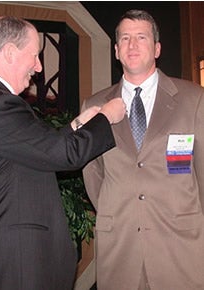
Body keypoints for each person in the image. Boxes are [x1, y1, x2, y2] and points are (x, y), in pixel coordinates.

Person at [0, 16, 127, 290]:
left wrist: (78, 124)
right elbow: (64, 155)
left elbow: (37, 149)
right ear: (10, 53)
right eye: (34, 56)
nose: (37, 67)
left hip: (0, 261)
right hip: (16, 266)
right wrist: (106, 117)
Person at [82, 9, 204, 290]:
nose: (132, 45)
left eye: (141, 37)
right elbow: (92, 174)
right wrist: (120, 209)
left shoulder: (194, 100)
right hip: (120, 249)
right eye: (124, 38)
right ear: (115, 50)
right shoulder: (93, 106)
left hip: (182, 249)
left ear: (157, 48)